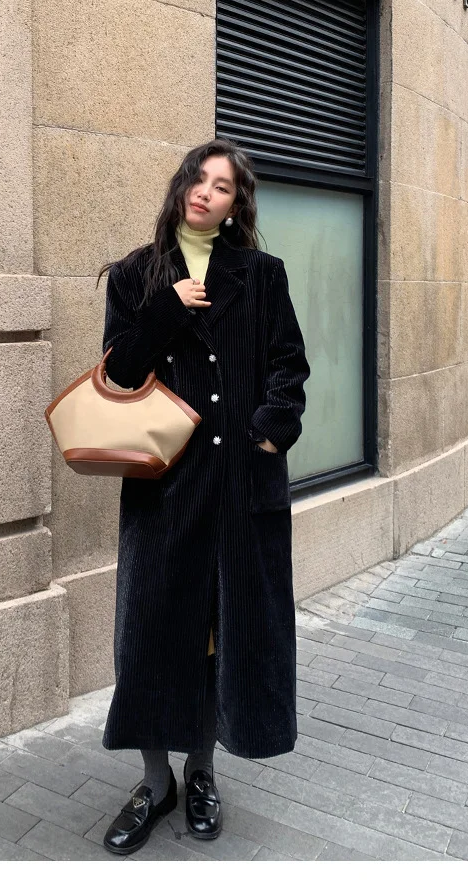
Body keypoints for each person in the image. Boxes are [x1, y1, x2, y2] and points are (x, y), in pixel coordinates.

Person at [95, 138, 310, 855]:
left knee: (223, 634)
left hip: (239, 486)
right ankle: (155, 783)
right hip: (163, 489)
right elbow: (119, 375)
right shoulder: (137, 275)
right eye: (198, 177)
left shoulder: (262, 275)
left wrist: (269, 432)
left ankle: (202, 773)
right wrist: (166, 309)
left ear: (235, 205)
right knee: (152, 633)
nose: (205, 191)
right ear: (181, 185)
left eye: (222, 186)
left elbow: (289, 364)